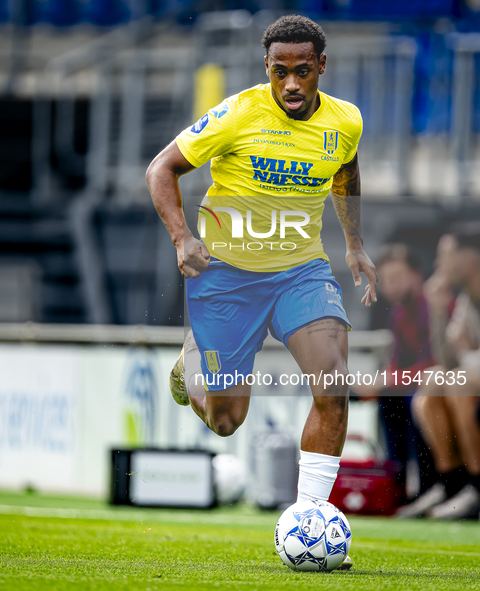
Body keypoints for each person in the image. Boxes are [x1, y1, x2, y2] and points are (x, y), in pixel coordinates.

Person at [146, 15, 378, 566]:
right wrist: (182, 238)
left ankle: (308, 520)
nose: (291, 84)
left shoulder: (346, 121)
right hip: (227, 277)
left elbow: (345, 172)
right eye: (280, 72)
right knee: (227, 420)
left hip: (301, 272)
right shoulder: (238, 115)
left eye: (302, 71)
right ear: (266, 69)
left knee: (333, 382)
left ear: (322, 66)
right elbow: (162, 169)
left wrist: (353, 244)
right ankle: (192, 364)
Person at [398, 223, 480, 519]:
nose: (438, 264)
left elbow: (469, 365)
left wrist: (464, 355)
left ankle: (478, 487)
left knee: (459, 383)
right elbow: (448, 362)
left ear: (470, 261)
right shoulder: (467, 299)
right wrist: (437, 310)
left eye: (445, 255)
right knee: (433, 382)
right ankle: (451, 484)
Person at [354, 244, 437, 499]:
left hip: (440, 387)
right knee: (388, 401)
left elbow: (433, 366)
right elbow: (396, 363)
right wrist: (380, 383)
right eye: (386, 280)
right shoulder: (399, 313)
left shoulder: (434, 306)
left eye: (397, 278)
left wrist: (384, 381)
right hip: (412, 387)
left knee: (412, 401)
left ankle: (428, 488)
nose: (391, 286)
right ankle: (395, 489)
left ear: (417, 275)